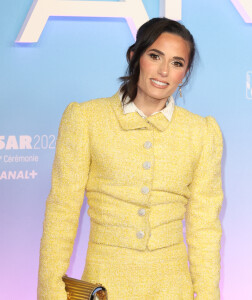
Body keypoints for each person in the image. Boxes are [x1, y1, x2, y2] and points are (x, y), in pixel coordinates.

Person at [37, 17, 223, 300]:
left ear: (184, 73)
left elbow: (204, 227)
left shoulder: (202, 132)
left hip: (173, 288)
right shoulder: (86, 119)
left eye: (177, 63)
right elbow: (61, 211)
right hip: (104, 285)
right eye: (155, 56)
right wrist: (50, 292)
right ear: (134, 56)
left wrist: (208, 295)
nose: (164, 71)